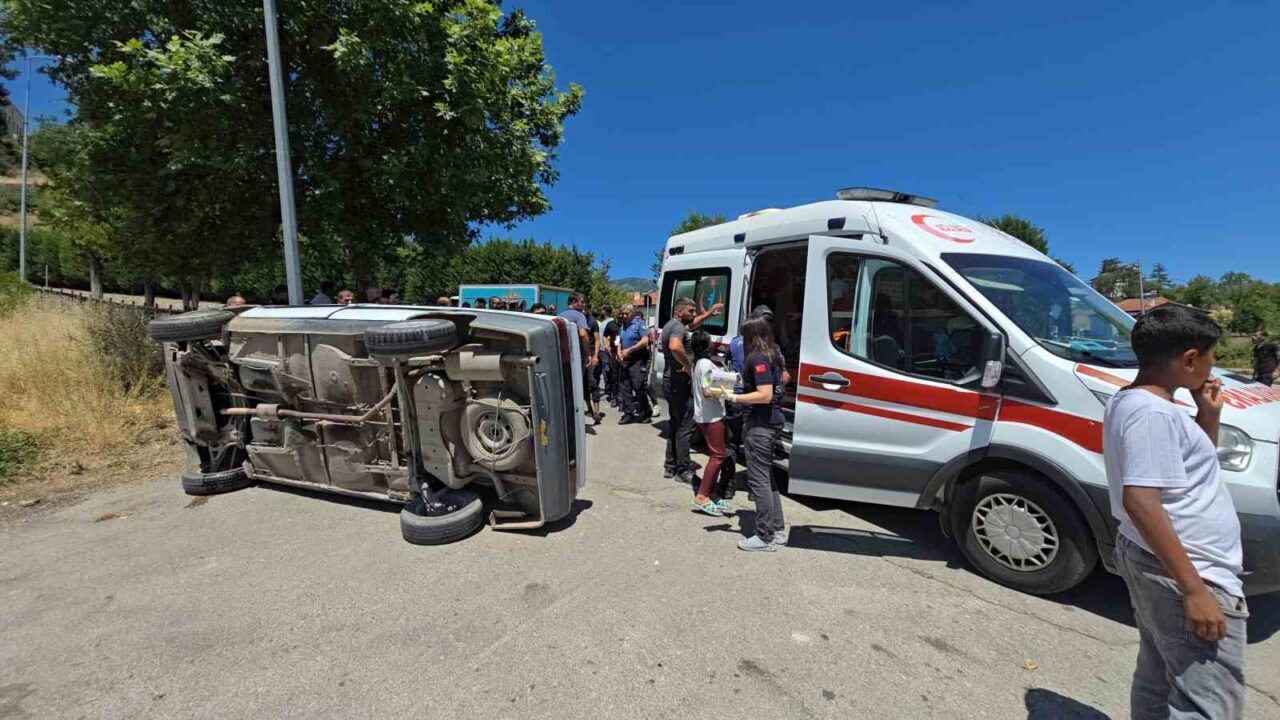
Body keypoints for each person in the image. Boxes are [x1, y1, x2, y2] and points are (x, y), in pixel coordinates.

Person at [1103, 305, 1245, 720]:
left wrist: (1208, 414)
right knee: (1208, 701)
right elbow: (1141, 501)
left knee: (1160, 673)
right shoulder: (1151, 413)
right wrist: (1195, 591)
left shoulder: (1140, 402)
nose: (1211, 366)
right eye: (1210, 357)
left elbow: (1184, 472)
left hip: (1160, 559)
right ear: (1189, 359)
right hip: (1188, 568)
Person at [725, 316, 787, 552]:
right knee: (767, 478)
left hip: (761, 423)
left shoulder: (759, 357)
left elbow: (764, 394)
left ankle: (764, 536)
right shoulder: (773, 353)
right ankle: (777, 529)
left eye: (744, 335)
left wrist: (734, 397)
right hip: (772, 421)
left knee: (758, 480)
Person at [688, 330, 735, 517]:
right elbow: (708, 391)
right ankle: (702, 496)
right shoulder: (706, 363)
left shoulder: (697, 363)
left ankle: (711, 493)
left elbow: (696, 389)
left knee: (716, 454)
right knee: (718, 455)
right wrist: (727, 390)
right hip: (711, 415)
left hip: (705, 414)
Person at [660, 298, 700, 483]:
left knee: (676, 424)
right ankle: (683, 469)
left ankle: (671, 465)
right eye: (690, 311)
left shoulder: (671, 325)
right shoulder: (677, 328)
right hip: (678, 383)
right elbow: (675, 346)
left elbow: (691, 326)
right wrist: (689, 366)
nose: (693, 314)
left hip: (671, 382)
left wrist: (707, 315)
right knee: (685, 425)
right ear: (679, 311)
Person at [557, 293, 601, 425]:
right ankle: (575, 419)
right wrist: (588, 353)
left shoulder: (559, 315)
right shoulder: (579, 315)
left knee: (565, 386)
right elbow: (583, 334)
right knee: (577, 386)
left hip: (562, 356)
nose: (584, 305)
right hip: (576, 358)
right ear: (574, 302)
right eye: (582, 302)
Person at [616, 304, 652, 424]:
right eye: (623, 314)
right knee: (625, 388)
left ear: (632, 313)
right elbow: (619, 341)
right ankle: (628, 414)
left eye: (627, 314)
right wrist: (619, 352)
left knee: (638, 386)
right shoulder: (623, 326)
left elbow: (645, 341)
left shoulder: (638, 324)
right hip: (625, 361)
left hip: (636, 360)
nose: (624, 316)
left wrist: (629, 350)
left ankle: (646, 412)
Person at [600, 306, 620, 406]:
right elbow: (604, 336)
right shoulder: (611, 324)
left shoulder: (627, 324)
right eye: (619, 314)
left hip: (625, 354)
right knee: (614, 375)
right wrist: (607, 347)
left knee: (623, 377)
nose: (621, 316)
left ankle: (621, 398)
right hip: (613, 353)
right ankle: (614, 397)